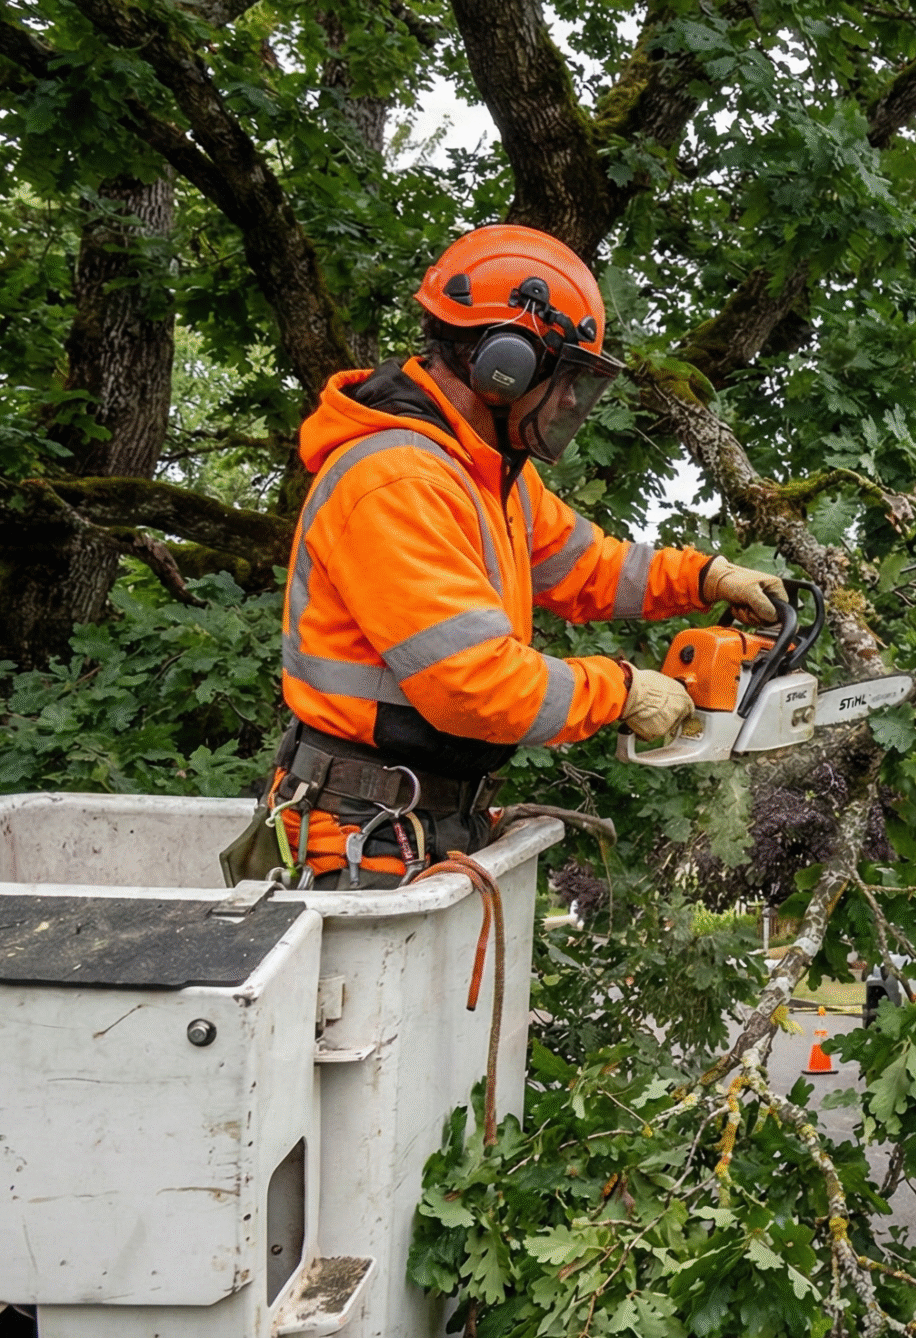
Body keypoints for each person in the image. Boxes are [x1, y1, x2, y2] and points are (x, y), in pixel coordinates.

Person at [227, 225, 786, 888]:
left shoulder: (486, 473)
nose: (573, 398)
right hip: (357, 835)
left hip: (420, 820)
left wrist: (706, 577)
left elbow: (586, 565)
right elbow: (473, 684)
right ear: (505, 365)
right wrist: (622, 691)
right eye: (567, 376)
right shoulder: (399, 482)